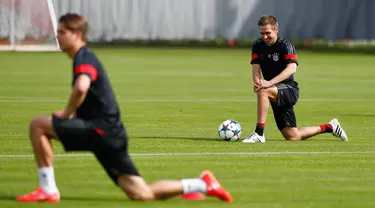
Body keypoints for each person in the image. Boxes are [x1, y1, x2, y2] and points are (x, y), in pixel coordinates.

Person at [16, 13, 232, 203]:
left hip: (99, 130)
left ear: (77, 34)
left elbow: (82, 87)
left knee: (38, 125)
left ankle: (48, 190)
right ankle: (202, 184)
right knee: (141, 193)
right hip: (111, 134)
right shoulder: (82, 57)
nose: (58, 36)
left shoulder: (84, 56)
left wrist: (66, 114)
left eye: (62, 32)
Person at [242, 15, 348, 143]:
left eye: (267, 33)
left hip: (289, 89)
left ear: (276, 30)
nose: (264, 37)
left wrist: (268, 83)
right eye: (262, 33)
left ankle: (259, 133)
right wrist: (258, 82)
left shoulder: (285, 45)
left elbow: (291, 69)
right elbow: (255, 69)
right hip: (273, 90)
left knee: (264, 91)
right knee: (293, 136)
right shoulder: (257, 45)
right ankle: (330, 127)